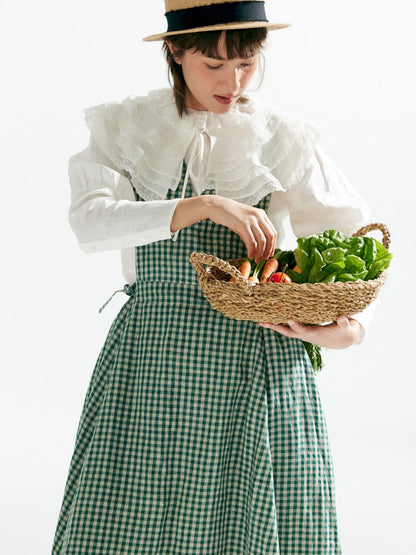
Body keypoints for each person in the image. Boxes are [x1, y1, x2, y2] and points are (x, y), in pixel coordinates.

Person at [52, 1, 375, 553]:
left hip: (257, 356)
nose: (234, 82)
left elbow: (355, 239)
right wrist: (201, 205)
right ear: (175, 51)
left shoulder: (281, 137)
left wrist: (350, 329)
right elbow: (90, 222)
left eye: (247, 63)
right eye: (214, 64)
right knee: (132, 517)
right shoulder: (125, 128)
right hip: (152, 359)